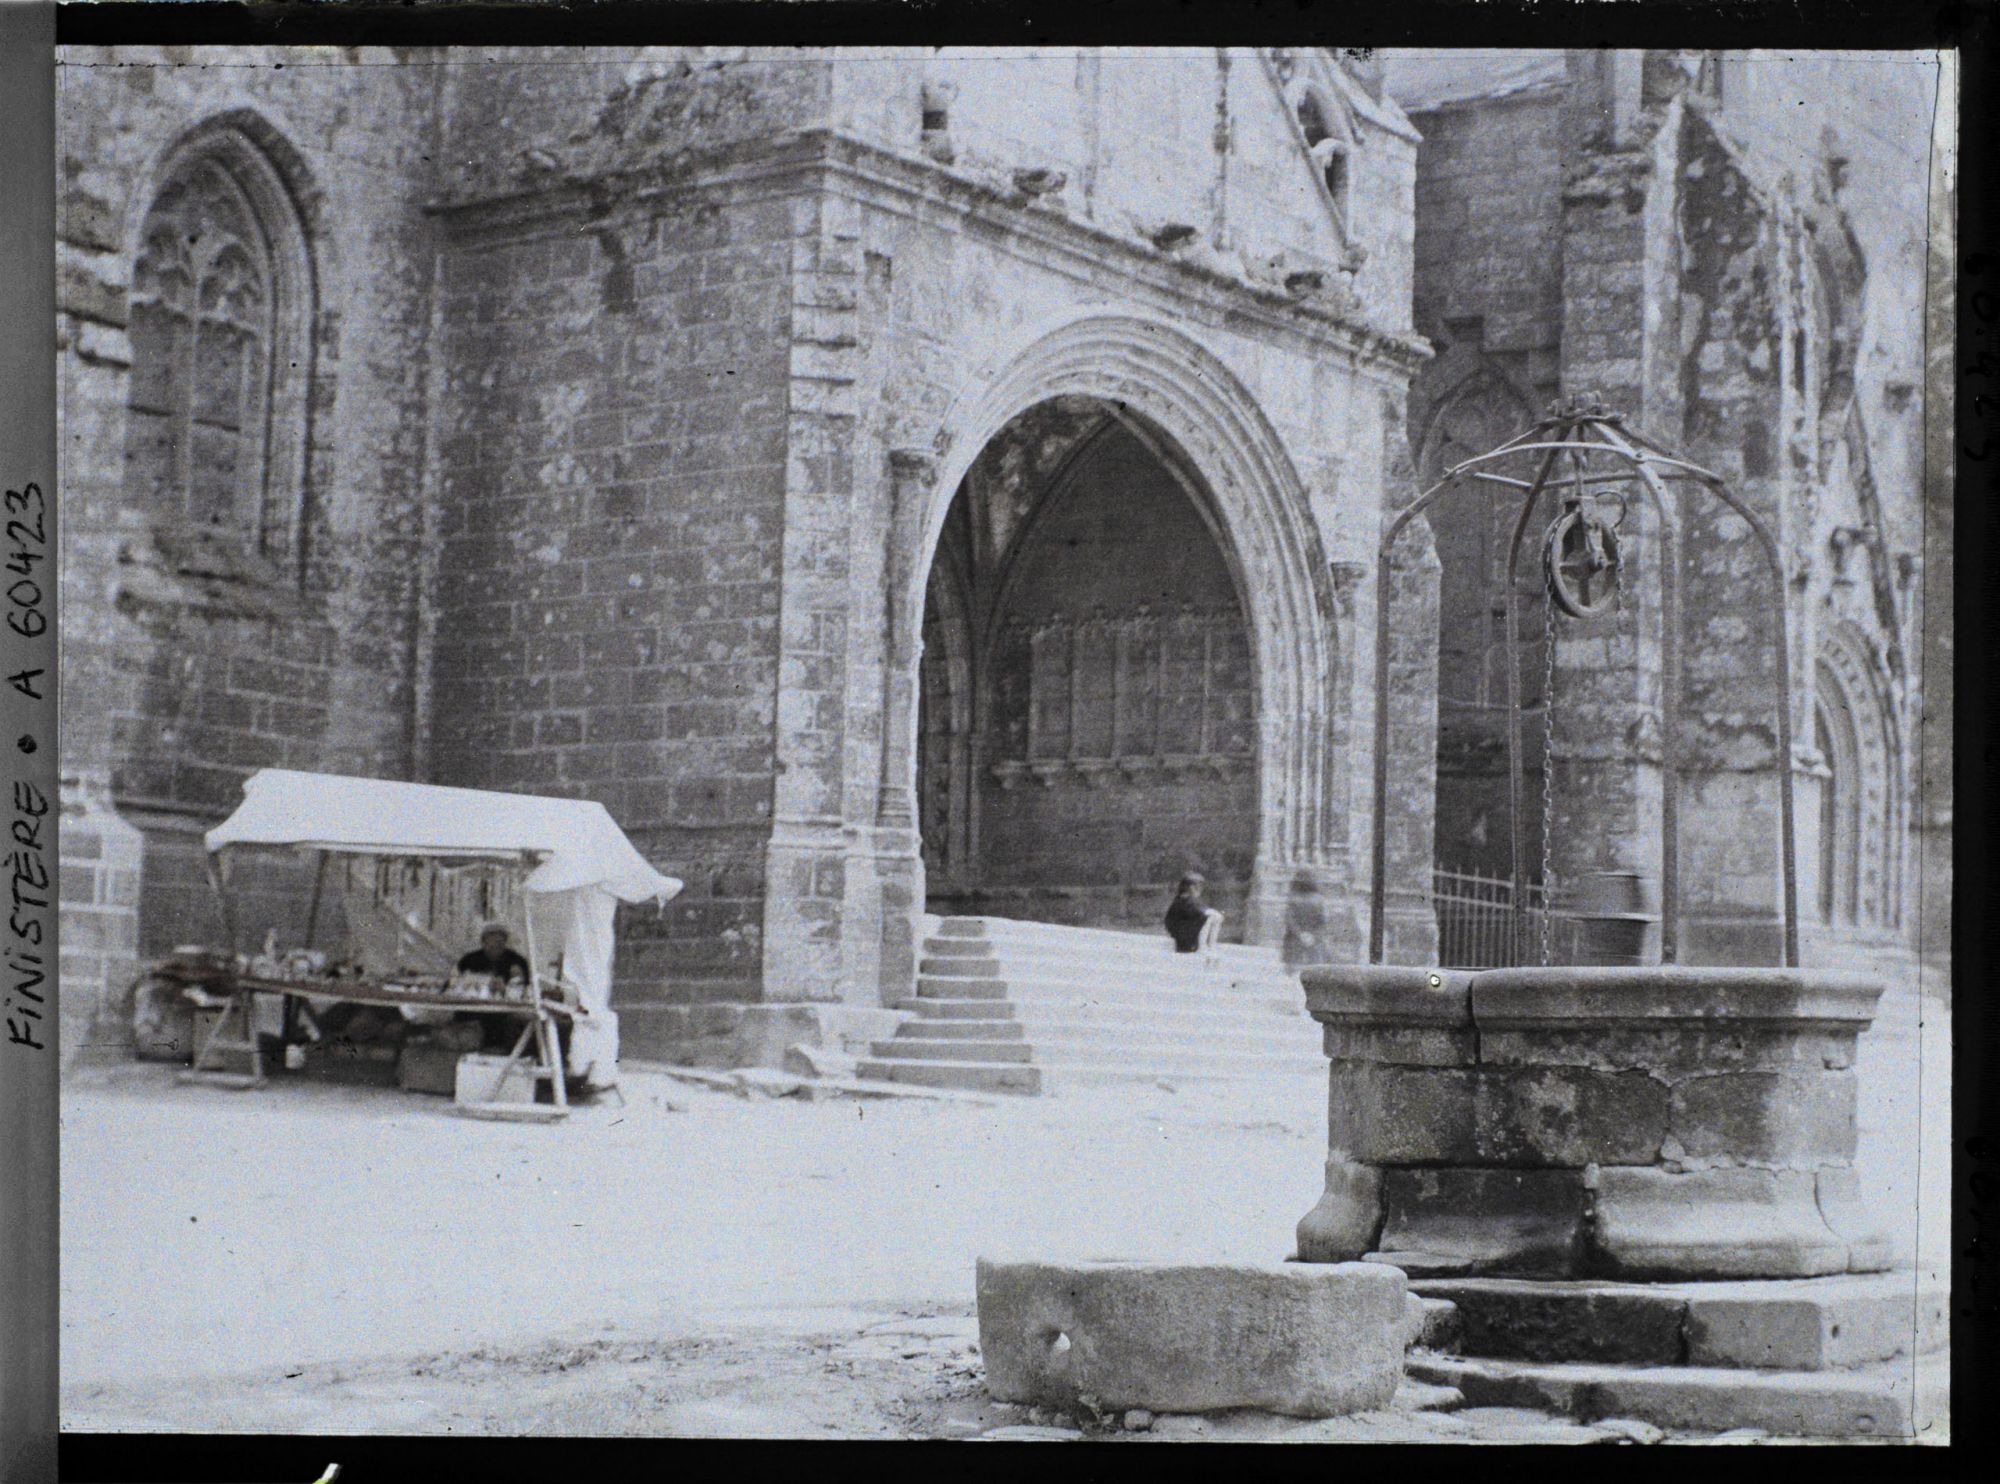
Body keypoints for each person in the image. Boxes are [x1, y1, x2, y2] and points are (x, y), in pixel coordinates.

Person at [455, 924, 534, 1053]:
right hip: (472, 1006)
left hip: (504, 1009)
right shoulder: (469, 960)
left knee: (504, 1019)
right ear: (483, 942)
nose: (494, 949)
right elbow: (455, 982)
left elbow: (524, 989)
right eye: (490, 944)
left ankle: (498, 1048)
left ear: (504, 942)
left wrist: (505, 988)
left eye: (499, 944)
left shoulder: (517, 961)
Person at [1164, 872, 1224, 957]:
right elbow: (1197, 911)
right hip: (1181, 933)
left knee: (1214, 917)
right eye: (1198, 887)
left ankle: (1210, 946)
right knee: (1209, 917)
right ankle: (1202, 948)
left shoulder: (1189, 900)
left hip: (1185, 931)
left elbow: (1199, 909)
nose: (1199, 890)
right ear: (1191, 887)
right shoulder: (1183, 899)